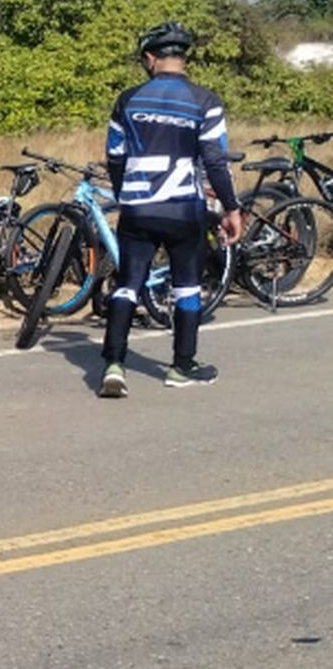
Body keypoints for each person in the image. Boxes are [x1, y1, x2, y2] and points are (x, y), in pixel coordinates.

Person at [99, 22, 243, 396]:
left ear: (150, 58)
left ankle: (114, 365)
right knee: (187, 288)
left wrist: (125, 194)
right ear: (183, 58)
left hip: (137, 209)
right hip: (183, 209)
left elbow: (114, 156)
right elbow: (215, 161)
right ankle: (181, 366)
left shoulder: (127, 99)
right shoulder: (206, 100)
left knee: (127, 284)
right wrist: (231, 208)